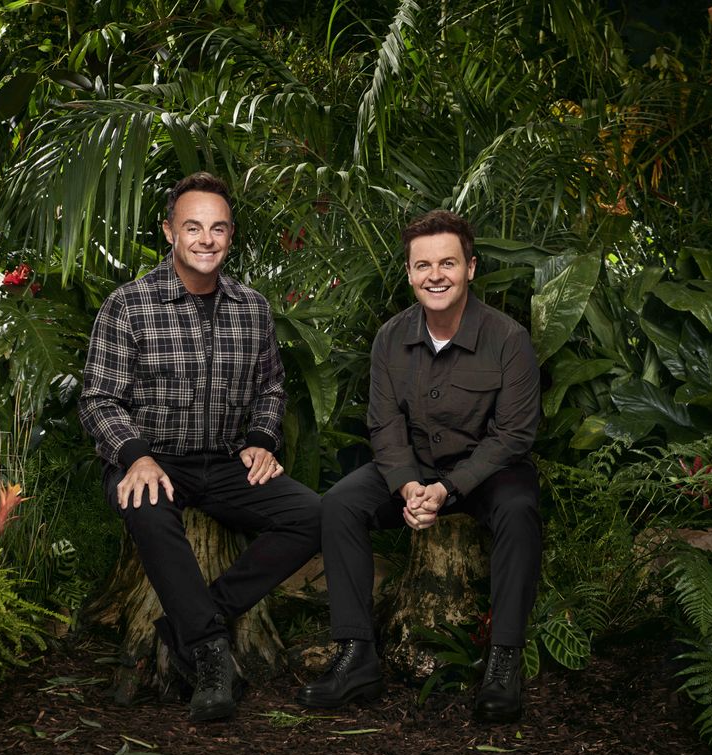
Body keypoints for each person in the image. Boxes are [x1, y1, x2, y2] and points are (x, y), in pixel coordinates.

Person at [79, 172, 320, 723]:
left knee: (313, 516)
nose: (206, 239)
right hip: (152, 459)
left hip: (226, 462)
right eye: (193, 227)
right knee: (143, 501)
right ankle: (211, 654)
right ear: (169, 232)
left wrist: (262, 439)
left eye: (218, 228)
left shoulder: (252, 308)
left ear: (230, 237)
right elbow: (97, 398)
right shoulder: (130, 305)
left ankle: (188, 623)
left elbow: (271, 387)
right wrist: (135, 455)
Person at [297, 210, 542, 723]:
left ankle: (503, 661)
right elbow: (383, 426)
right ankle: (357, 653)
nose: (436, 275)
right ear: (409, 274)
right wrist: (409, 485)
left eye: (448, 263)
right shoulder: (390, 338)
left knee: (520, 509)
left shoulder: (508, 338)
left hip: (488, 473)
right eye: (423, 265)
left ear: (470, 268)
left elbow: (515, 433)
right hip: (413, 469)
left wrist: (448, 489)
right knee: (340, 504)